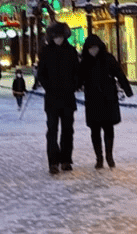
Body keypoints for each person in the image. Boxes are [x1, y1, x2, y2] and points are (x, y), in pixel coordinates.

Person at [80, 34, 133, 170]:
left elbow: (119, 74)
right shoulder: (85, 62)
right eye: (90, 48)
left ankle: (109, 156)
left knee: (109, 129)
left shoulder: (108, 59)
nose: (93, 50)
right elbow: (78, 79)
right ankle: (99, 158)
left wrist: (127, 90)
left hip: (108, 99)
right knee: (95, 131)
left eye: (95, 47)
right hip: (92, 100)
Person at [37, 22, 80, 175]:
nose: (59, 40)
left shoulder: (71, 51)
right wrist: (48, 86)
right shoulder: (46, 52)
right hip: (52, 99)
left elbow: (77, 72)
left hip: (68, 98)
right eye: (56, 37)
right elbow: (41, 73)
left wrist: (74, 85)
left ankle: (66, 160)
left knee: (68, 131)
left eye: (61, 37)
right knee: (52, 131)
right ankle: (53, 162)